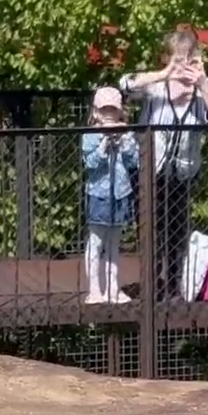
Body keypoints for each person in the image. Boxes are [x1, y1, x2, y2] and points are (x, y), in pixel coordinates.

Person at [118, 27, 208, 302]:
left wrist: (202, 83)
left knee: (177, 230)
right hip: (150, 171)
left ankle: (176, 287)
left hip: (183, 172)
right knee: (150, 230)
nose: (183, 64)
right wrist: (164, 74)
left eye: (188, 58)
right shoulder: (156, 87)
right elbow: (125, 84)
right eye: (178, 58)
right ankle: (153, 286)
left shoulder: (204, 88)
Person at [79, 86, 140, 304]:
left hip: (120, 193)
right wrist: (104, 144)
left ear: (120, 111)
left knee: (114, 243)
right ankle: (94, 290)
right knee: (96, 241)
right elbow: (90, 164)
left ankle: (113, 289)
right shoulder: (90, 136)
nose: (108, 114)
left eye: (112, 109)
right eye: (104, 109)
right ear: (96, 112)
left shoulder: (127, 134)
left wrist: (125, 143)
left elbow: (134, 163)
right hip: (99, 194)